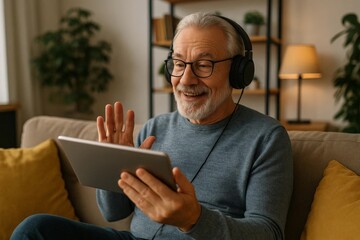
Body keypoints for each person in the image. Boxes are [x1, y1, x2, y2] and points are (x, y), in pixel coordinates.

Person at [11, 12, 293, 240]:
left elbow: (269, 233)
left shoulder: (267, 138)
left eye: (204, 65)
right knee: (36, 228)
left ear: (237, 71)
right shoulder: (154, 127)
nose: (186, 79)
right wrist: (111, 168)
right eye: (179, 63)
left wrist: (194, 220)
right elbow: (114, 213)